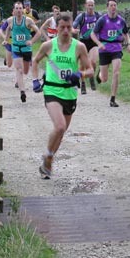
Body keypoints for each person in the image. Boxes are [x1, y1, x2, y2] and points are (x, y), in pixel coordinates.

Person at [31, 12, 94, 179]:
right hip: (52, 90)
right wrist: (35, 80)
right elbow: (35, 61)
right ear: (56, 28)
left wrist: (80, 75)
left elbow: (91, 70)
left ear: (72, 28)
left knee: (62, 131)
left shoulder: (79, 47)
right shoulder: (48, 45)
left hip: (70, 92)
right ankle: (49, 158)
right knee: (59, 126)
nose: (66, 31)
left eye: (68, 27)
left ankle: (48, 157)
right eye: (62, 27)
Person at [90, 0, 130, 107]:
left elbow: (126, 34)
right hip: (104, 49)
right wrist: (99, 44)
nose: (113, 7)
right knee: (104, 79)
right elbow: (93, 34)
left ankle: (113, 99)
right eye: (111, 5)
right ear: (107, 7)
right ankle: (100, 74)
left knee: (116, 72)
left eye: (115, 5)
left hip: (117, 49)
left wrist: (129, 44)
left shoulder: (121, 20)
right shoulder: (102, 20)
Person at [4, 2, 42, 102]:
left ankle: (21, 84)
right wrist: (6, 39)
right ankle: (22, 92)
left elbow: (38, 32)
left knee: (25, 71)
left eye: (20, 8)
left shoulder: (28, 21)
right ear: (14, 10)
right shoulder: (11, 20)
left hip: (26, 49)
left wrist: (31, 41)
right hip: (16, 48)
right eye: (17, 8)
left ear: (23, 10)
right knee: (19, 70)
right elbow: (8, 29)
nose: (19, 10)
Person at [73, 0, 102, 94]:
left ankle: (91, 76)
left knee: (93, 62)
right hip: (83, 42)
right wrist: (74, 30)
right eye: (89, 5)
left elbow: (104, 25)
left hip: (94, 42)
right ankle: (83, 84)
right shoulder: (81, 16)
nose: (90, 7)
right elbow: (73, 26)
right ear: (85, 5)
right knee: (82, 65)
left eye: (92, 5)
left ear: (94, 6)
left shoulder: (98, 16)